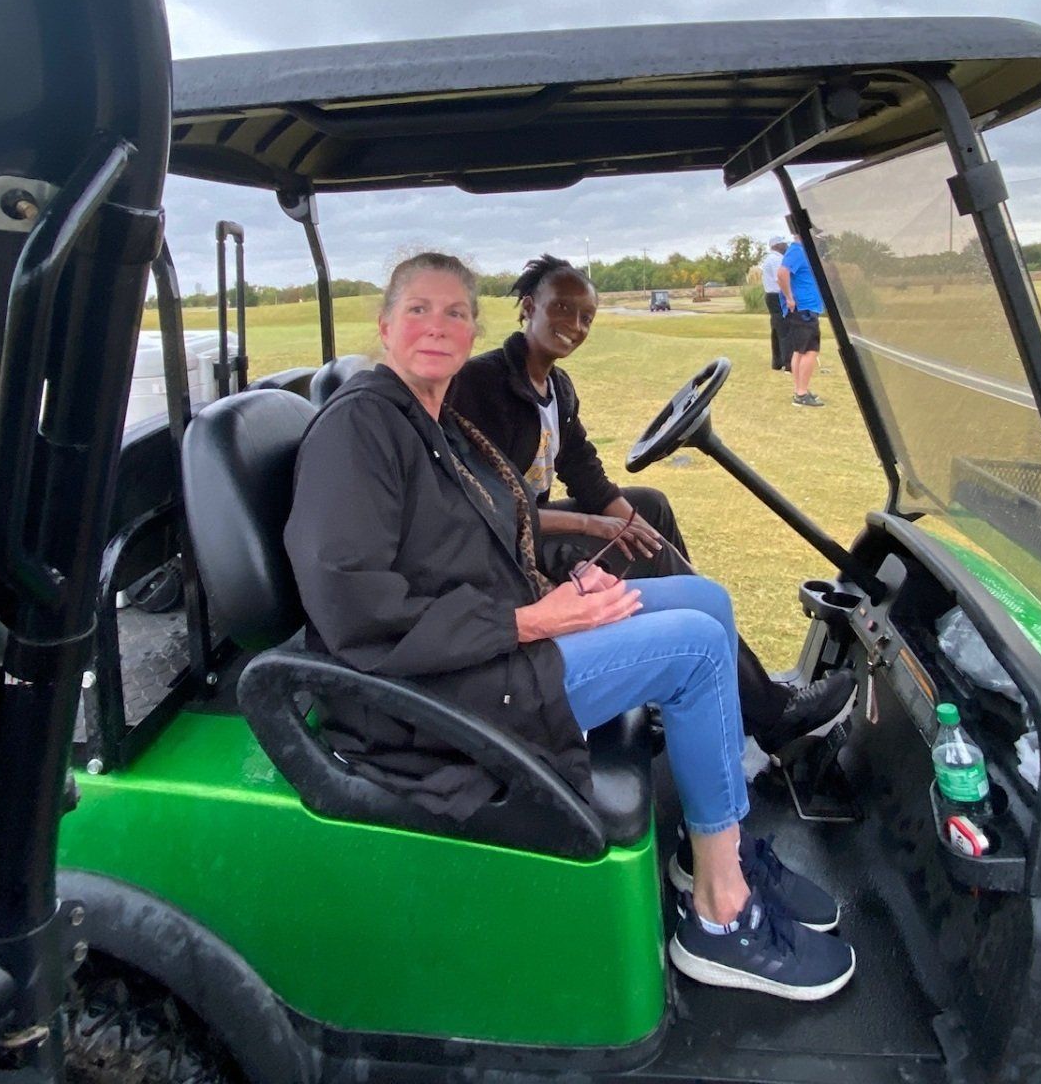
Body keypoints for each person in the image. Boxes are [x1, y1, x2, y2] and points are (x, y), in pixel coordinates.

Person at [286, 252, 855, 1001]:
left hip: (480, 648)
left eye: (455, 312)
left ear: (474, 328)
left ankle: (714, 845)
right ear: (386, 325)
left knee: (706, 601)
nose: (438, 326)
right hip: (430, 694)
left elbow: (472, 547)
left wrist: (555, 584)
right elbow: (355, 608)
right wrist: (527, 618)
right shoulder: (360, 428)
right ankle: (721, 913)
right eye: (419, 310)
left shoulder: (432, 423)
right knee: (696, 649)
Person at [449, 254, 856, 754]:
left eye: (586, 318)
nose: (574, 326)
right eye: (562, 309)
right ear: (529, 308)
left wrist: (628, 521)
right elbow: (490, 509)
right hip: (505, 550)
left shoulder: (557, 387)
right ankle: (771, 713)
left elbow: (586, 473)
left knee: (650, 509)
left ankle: (716, 670)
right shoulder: (481, 384)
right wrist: (598, 527)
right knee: (648, 550)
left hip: (531, 528)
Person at [776, 233, 825, 408]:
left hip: (805, 308)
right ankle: (802, 393)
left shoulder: (800, 251)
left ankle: (800, 391)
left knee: (800, 350)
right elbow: (782, 274)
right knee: (810, 351)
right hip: (804, 309)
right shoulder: (797, 250)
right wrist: (790, 298)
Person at [760, 235, 789, 372]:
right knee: (784, 328)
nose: (786, 246)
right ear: (777, 245)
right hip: (777, 295)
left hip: (773, 296)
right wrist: (790, 296)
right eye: (783, 244)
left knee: (777, 328)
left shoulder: (772, 259)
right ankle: (788, 362)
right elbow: (781, 279)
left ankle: (777, 361)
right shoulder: (775, 260)